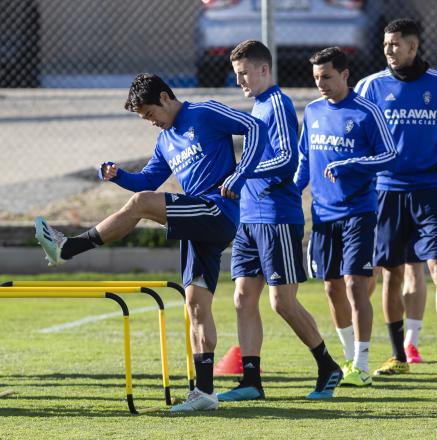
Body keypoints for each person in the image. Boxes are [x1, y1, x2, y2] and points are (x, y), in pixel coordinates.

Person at [34, 73, 266, 412]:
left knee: (142, 203)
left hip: (217, 210)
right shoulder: (165, 142)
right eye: (144, 118)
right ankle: (204, 394)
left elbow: (256, 127)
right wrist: (118, 176)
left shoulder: (203, 113)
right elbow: (148, 179)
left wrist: (240, 173)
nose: (150, 122)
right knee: (196, 304)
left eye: (149, 114)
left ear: (164, 98)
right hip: (197, 223)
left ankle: (68, 248)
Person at [216, 40, 342, 401]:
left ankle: (327, 365)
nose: (239, 81)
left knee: (282, 302)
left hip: (276, 217)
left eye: (244, 73)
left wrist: (242, 174)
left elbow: (287, 160)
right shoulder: (256, 107)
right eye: (236, 74)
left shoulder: (278, 104)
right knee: (242, 297)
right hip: (249, 218)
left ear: (264, 70)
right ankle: (252, 382)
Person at [355, 18, 437, 377]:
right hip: (386, 192)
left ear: (414, 47)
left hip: (432, 189)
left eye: (396, 44)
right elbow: (358, 136)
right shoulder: (370, 86)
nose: (389, 50)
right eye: (386, 44)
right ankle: (398, 355)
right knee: (391, 275)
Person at [295, 47, 397, 387]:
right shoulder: (311, 111)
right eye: (316, 78)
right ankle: (349, 358)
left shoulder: (367, 111)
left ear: (344, 74)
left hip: (358, 211)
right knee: (332, 286)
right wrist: (292, 191)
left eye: (326, 76)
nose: (321, 83)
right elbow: (304, 161)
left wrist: (350, 164)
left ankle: (362, 363)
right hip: (323, 215)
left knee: (355, 284)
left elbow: (388, 155)